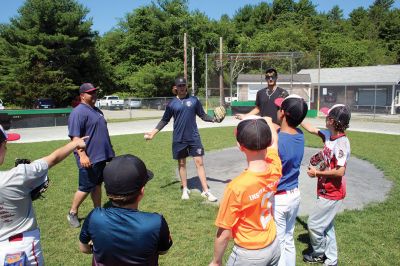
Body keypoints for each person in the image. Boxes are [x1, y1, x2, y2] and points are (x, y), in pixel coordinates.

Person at [0, 125, 87, 265]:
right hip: (21, 247)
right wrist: (75, 143)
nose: (6, 148)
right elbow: (53, 158)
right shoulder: (18, 175)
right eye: (5, 144)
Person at [209, 116, 281, 266]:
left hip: (250, 254)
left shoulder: (237, 187)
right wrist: (267, 120)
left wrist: (216, 261)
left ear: (240, 146)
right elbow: (275, 142)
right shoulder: (275, 166)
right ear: (268, 142)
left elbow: (224, 233)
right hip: (273, 245)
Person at [79, 154, 173, 265]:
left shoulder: (95, 217)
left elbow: (84, 248)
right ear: (141, 192)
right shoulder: (155, 222)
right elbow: (163, 250)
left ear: (107, 191)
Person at [144, 77, 218, 202]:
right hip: (179, 138)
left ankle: (205, 191)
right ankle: (185, 189)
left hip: (194, 137)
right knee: (182, 163)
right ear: (175, 88)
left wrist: (214, 119)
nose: (182, 88)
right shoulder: (172, 103)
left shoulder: (194, 100)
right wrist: (153, 133)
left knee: (199, 163)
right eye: (179, 86)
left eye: (184, 85)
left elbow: (203, 115)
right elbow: (164, 120)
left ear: (186, 87)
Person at [301, 104, 351, 266]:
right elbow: (312, 129)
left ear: (332, 121)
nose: (325, 118)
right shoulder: (329, 136)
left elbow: (339, 172)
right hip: (324, 189)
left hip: (333, 192)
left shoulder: (342, 143)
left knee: (314, 225)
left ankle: (319, 254)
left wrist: (317, 173)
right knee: (327, 227)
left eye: (327, 116)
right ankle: (332, 260)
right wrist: (296, 116)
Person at [67, 83, 115, 227]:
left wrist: (109, 150)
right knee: (85, 187)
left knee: (97, 185)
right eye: (90, 93)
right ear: (82, 96)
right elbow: (75, 138)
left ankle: (98, 211)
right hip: (89, 157)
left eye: (94, 92)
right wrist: (82, 155)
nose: (93, 95)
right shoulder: (78, 112)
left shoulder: (96, 110)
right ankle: (72, 213)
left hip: (101, 156)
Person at [273, 95, 308, 266]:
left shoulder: (277, 140)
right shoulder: (299, 135)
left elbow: (276, 138)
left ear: (283, 113)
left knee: (278, 243)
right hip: (294, 196)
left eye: (280, 108)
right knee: (288, 238)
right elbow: (281, 130)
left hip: (279, 199)